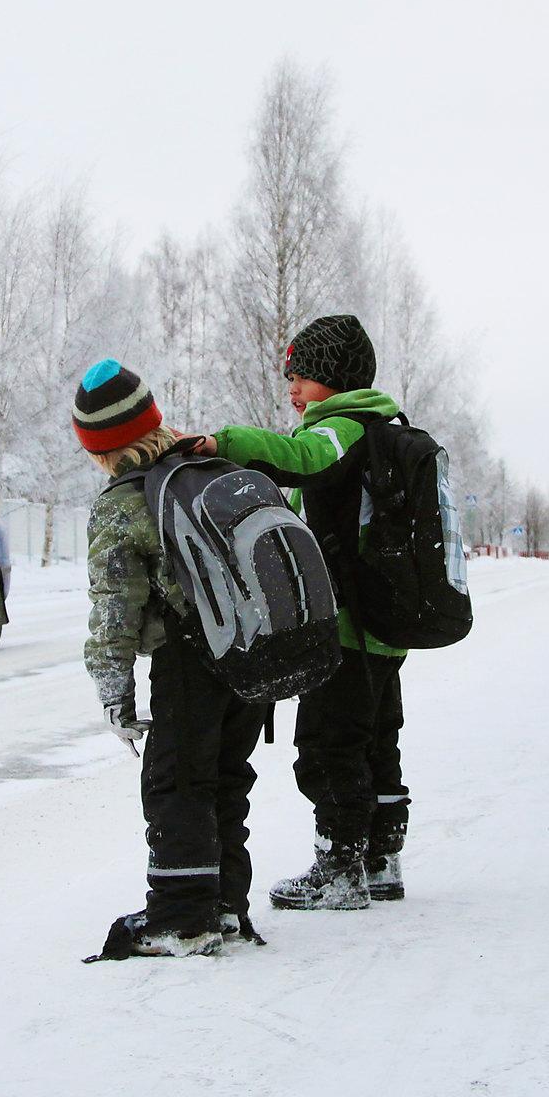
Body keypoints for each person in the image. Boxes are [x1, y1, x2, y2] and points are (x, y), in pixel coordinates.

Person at [194, 314, 409, 911]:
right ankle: (381, 860)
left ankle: (340, 870)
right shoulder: (379, 431)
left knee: (328, 746)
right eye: (290, 373)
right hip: (377, 631)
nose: (292, 385)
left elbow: (305, 459)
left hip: (346, 629)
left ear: (336, 379)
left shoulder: (343, 428)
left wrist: (225, 444)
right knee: (376, 742)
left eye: (304, 374)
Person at [77, 359, 270, 961]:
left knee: (177, 781)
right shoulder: (214, 470)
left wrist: (115, 692)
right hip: (252, 648)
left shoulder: (123, 501)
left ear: (102, 447)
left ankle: (182, 919)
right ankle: (227, 905)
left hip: (189, 657)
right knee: (227, 779)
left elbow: (115, 607)